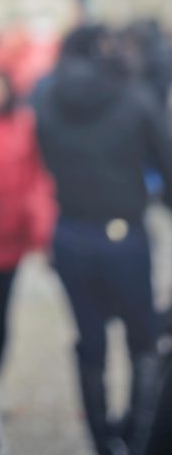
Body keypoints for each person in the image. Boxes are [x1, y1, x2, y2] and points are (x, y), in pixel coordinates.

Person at [33, 24, 172, 455]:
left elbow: (40, 154)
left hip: (71, 231)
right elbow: (165, 162)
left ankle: (101, 441)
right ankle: (137, 434)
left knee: (89, 341)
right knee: (143, 339)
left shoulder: (46, 98)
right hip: (124, 234)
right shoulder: (133, 96)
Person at [0, 52, 56, 372]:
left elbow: (37, 177)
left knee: (3, 310)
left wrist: (39, 224)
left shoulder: (23, 123)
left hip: (12, 235)